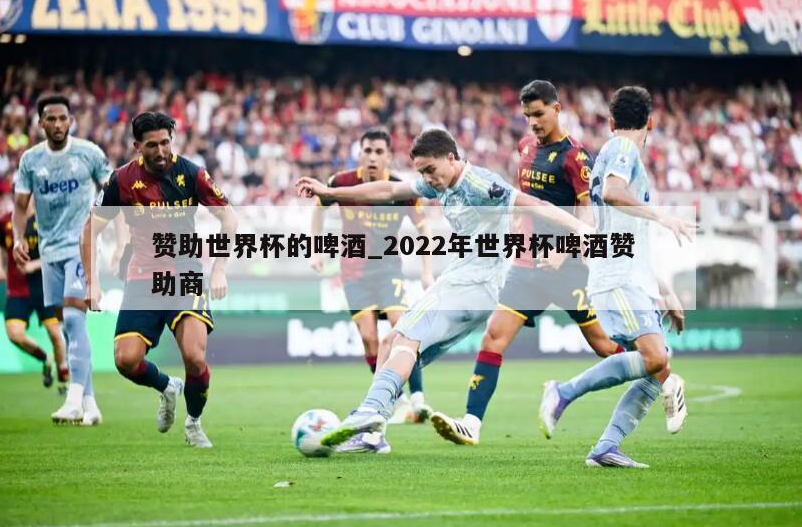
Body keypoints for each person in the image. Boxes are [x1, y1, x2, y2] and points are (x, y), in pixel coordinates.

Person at [296, 128, 592, 450]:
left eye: (430, 170)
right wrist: (331, 193)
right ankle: (373, 435)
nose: (427, 178)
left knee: (406, 338)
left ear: (450, 158)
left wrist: (581, 228)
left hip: (473, 284)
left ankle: (371, 411)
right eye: (422, 172)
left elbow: (534, 204)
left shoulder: (481, 185)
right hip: (466, 283)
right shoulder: (441, 182)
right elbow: (388, 189)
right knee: (390, 342)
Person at [430, 80, 687, 445]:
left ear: (556, 109)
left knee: (605, 345)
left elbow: (588, 215)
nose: (533, 122)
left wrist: (564, 249)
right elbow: (527, 200)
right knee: (493, 336)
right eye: (527, 116)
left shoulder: (576, 158)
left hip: (571, 270)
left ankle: (664, 376)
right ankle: (471, 422)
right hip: (528, 266)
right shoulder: (525, 148)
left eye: (538, 114)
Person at [538, 86, 694, 468]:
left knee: (658, 366)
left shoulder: (612, 154)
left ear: (611, 121)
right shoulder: (623, 149)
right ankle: (562, 392)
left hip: (628, 275)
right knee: (656, 358)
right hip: (618, 277)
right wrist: (661, 215)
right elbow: (612, 192)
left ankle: (606, 447)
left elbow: (624, 236)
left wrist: (666, 291)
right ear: (650, 123)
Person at [83, 112, 236, 448]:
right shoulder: (122, 180)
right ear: (137, 146)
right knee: (126, 361)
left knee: (194, 357)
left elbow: (229, 218)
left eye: (166, 142)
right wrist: (92, 282)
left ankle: (193, 422)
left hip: (185, 272)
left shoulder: (192, 174)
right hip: (143, 277)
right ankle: (167, 387)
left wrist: (219, 268)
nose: (161, 151)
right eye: (152, 145)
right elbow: (90, 230)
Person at [310, 127, 434, 454]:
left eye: (379, 151)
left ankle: (418, 400)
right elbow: (319, 207)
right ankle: (391, 398)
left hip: (388, 269)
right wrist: (316, 248)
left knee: (401, 328)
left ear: (389, 156)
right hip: (353, 273)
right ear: (359, 153)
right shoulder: (341, 182)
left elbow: (424, 229)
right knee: (369, 339)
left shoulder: (402, 189)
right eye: (368, 150)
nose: (373, 157)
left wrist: (426, 270)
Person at [13, 94, 112, 425]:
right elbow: (19, 206)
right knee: (71, 328)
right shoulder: (30, 160)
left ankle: (72, 400)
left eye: (63, 118)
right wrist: (18, 238)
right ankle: (90, 404)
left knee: (72, 318)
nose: (57, 124)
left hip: (81, 246)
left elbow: (113, 189)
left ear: (71, 121)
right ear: (41, 123)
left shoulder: (88, 153)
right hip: (49, 251)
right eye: (51, 119)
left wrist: (112, 232)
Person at [0, 198, 68, 392]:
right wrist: (0, 267)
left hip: (44, 288)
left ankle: (64, 378)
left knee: (56, 335)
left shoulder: (46, 222)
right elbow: (1, 245)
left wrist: (33, 265)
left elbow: (57, 253)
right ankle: (45, 358)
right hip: (17, 290)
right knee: (14, 334)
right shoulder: (4, 221)